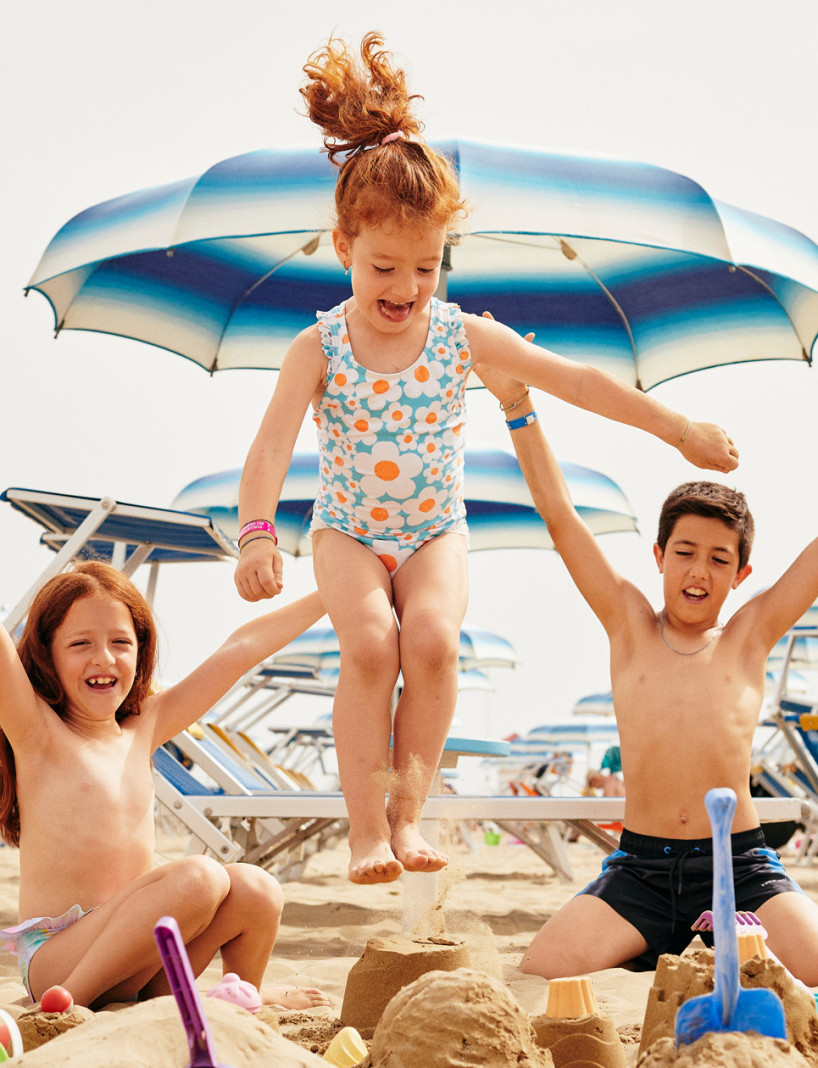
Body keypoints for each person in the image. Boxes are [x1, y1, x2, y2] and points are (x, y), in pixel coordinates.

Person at [234, 31, 739, 887]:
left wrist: (676, 429)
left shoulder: (460, 335)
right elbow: (271, 446)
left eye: (425, 268)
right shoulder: (315, 347)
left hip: (435, 530)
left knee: (429, 641)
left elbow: (577, 381)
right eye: (384, 266)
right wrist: (255, 535)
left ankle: (409, 814)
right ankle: (365, 828)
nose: (404, 287)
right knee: (369, 642)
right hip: (347, 530)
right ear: (344, 245)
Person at [478, 363, 818, 986]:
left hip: (740, 868)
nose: (699, 570)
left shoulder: (749, 635)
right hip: (640, 870)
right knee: (539, 972)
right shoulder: (630, 625)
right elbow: (560, 518)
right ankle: (646, 945)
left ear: (741, 574)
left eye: (719, 559)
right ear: (659, 557)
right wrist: (517, 403)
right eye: (685, 552)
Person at [0, 561, 331, 1010]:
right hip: (60, 961)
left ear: (141, 651)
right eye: (80, 644)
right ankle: (65, 1005)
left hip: (143, 962)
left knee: (256, 887)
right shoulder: (37, 733)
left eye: (121, 642)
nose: (104, 658)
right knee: (200, 875)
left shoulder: (145, 726)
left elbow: (241, 648)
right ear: (46, 655)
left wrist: (332, 592)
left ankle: (240, 994)